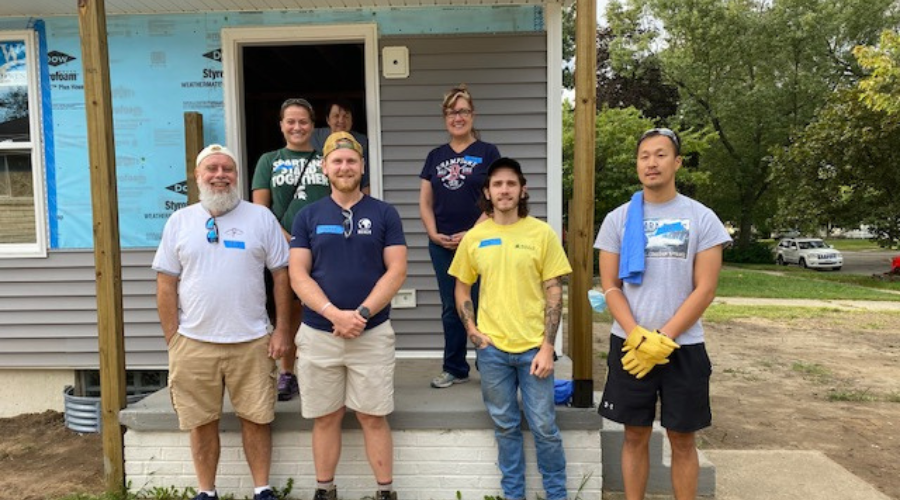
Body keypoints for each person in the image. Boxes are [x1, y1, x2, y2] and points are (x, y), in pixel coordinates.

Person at [595, 128, 731, 500]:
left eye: (660, 155)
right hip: (630, 344)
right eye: (644, 156)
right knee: (634, 434)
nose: (651, 163)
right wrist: (637, 334)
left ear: (677, 163)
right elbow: (610, 286)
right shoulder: (618, 219)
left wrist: (665, 336)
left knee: (682, 438)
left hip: (684, 346)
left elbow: (705, 289)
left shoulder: (702, 218)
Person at [153, 144, 291, 500]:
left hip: (253, 340)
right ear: (198, 177)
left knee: (258, 418)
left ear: (236, 176)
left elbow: (281, 276)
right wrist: (174, 338)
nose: (219, 175)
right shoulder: (179, 222)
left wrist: (282, 330)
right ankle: (206, 492)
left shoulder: (260, 218)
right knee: (200, 422)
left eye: (227, 169)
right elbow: (166, 283)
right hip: (194, 342)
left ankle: (262, 489)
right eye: (211, 169)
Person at [289, 131, 407, 500]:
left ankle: (385, 492)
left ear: (362, 166)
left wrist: (361, 313)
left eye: (351, 161)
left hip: (371, 334)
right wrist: (332, 313)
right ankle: (325, 490)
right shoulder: (307, 216)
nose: (344, 167)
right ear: (325, 168)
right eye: (337, 161)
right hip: (319, 334)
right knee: (326, 417)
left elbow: (397, 270)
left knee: (373, 416)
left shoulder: (384, 213)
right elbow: (297, 274)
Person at [449, 157, 571, 500]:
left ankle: (556, 494)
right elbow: (461, 287)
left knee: (545, 427)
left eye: (511, 184)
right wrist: (472, 330)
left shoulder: (542, 234)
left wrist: (548, 346)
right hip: (493, 351)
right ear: (487, 192)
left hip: (534, 349)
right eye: (497, 184)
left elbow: (554, 290)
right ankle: (513, 494)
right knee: (505, 427)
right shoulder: (475, 238)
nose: (504, 190)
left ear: (522, 190)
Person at [420, 83, 500, 389]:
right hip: (442, 244)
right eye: (452, 112)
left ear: (473, 115)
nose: (458, 117)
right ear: (445, 117)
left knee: (483, 303)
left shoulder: (487, 152)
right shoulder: (435, 156)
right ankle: (454, 367)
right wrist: (432, 233)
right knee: (451, 306)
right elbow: (425, 201)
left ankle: (489, 363)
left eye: (463, 111)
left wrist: (472, 232)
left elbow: (495, 195)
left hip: (480, 241)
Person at [252, 97, 330, 402]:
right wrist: (289, 238)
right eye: (291, 121)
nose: (297, 127)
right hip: (284, 247)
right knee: (290, 309)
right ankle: (288, 371)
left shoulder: (326, 158)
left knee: (323, 305)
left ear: (312, 125)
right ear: (281, 125)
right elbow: (261, 209)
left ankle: (322, 370)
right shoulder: (269, 160)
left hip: (325, 245)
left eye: (303, 121)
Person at [310, 98, 370, 193]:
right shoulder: (314, 137)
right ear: (328, 120)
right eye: (336, 116)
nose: (341, 120)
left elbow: (366, 181)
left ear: (352, 120)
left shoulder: (361, 142)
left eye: (346, 117)